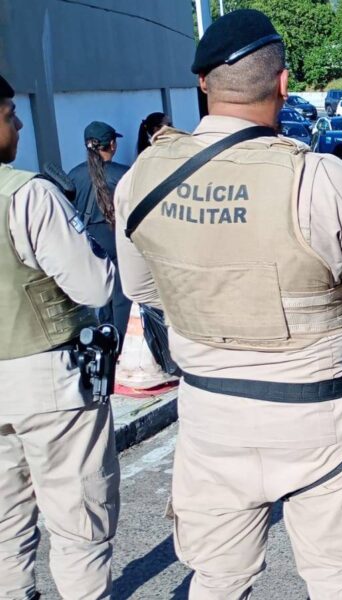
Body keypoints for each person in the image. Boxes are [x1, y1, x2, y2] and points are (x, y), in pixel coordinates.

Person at [113, 10, 342, 598]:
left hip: (208, 418)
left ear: (203, 85)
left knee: (219, 581)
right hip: (316, 421)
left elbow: (141, 291)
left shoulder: (141, 176)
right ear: (283, 83)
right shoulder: (319, 176)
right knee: (337, 583)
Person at [0, 74, 119, 600]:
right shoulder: (26, 194)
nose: (19, 122)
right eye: (8, 114)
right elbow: (93, 283)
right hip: (45, 376)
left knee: (4, 528)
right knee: (78, 526)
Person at [68, 121, 133, 349]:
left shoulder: (73, 175)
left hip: (89, 241)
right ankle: (123, 344)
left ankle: (105, 340)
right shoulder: (124, 174)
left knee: (102, 292)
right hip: (116, 238)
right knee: (122, 295)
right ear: (112, 145)